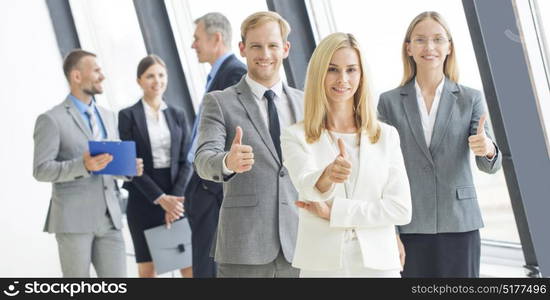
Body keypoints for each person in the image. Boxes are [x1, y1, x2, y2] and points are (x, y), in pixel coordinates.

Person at [377, 11, 502, 277]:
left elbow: (490, 165)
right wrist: (391, 231)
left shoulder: (470, 98)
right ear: (408, 48)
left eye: (437, 39)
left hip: (460, 223)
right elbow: (381, 170)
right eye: (420, 40)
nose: (429, 47)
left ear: (449, 47)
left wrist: (487, 148)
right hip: (409, 224)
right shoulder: (388, 102)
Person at [281, 33, 412, 277]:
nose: (342, 79)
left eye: (351, 69)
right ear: (319, 73)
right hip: (322, 265)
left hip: (379, 264)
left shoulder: (386, 136)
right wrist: (328, 176)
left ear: (361, 75)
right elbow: (308, 187)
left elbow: (400, 209)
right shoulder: (295, 136)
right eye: (332, 69)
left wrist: (336, 213)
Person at [194, 11, 303, 277]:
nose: (265, 53)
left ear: (285, 49)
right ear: (242, 48)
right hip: (245, 247)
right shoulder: (219, 102)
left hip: (300, 244)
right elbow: (203, 159)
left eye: (273, 45)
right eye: (256, 45)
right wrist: (227, 162)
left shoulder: (305, 103)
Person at [33, 49, 143, 277]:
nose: (102, 76)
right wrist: (83, 166)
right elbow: (41, 170)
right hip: (74, 222)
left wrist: (128, 168)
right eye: (96, 70)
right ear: (76, 76)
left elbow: (108, 163)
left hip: (110, 219)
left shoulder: (109, 116)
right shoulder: (52, 120)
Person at [118, 55, 193, 278]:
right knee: (148, 270)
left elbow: (187, 160)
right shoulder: (128, 116)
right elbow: (131, 165)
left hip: (176, 196)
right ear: (139, 80)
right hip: (143, 199)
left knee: (188, 267)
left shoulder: (177, 114)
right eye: (150, 76)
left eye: (161, 75)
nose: (157, 80)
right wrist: (161, 199)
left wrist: (173, 202)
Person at [187, 12, 247, 278]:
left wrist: (209, 184)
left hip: (213, 187)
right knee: (204, 263)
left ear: (216, 38)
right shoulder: (218, 74)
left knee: (209, 267)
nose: (193, 45)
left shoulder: (234, 73)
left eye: (197, 38)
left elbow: (238, 130)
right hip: (203, 181)